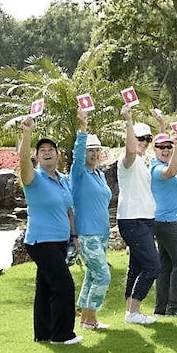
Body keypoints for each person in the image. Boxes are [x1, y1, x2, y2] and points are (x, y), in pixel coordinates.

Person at [18, 116, 81, 344]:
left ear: (57, 154)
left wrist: (74, 236)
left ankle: (43, 334)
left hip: (60, 241)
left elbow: (69, 210)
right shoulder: (33, 178)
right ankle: (62, 335)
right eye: (42, 149)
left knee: (45, 288)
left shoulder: (63, 179)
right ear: (37, 156)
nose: (47, 152)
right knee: (64, 285)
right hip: (40, 241)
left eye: (51, 149)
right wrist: (27, 133)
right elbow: (23, 162)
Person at [117, 105, 160, 325]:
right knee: (153, 265)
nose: (143, 142)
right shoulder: (127, 161)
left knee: (137, 265)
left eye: (146, 139)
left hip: (144, 218)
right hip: (132, 219)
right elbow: (130, 151)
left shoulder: (143, 163)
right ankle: (134, 311)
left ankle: (130, 311)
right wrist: (128, 120)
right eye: (139, 138)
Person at [71, 109, 112, 330]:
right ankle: (91, 317)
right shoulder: (78, 174)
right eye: (90, 151)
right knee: (103, 275)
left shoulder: (100, 174)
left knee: (92, 275)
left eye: (97, 150)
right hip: (87, 234)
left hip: (102, 233)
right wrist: (83, 128)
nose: (94, 154)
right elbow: (77, 154)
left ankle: (85, 318)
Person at [150, 130, 177, 317]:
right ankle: (175, 306)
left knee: (166, 265)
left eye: (169, 146)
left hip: (168, 221)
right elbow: (171, 171)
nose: (165, 149)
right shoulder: (157, 168)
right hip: (166, 222)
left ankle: (161, 308)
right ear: (154, 149)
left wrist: (161, 125)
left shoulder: (163, 164)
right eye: (161, 147)